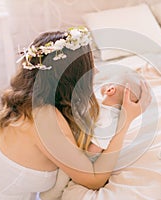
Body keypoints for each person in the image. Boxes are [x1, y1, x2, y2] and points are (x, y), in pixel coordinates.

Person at [0, 26, 151, 200]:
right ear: (72, 78)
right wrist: (124, 121)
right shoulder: (44, 118)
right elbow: (94, 180)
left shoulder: (27, 98)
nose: (95, 71)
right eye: (89, 68)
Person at [40, 68, 142, 200]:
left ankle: (50, 196)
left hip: (86, 156)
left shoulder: (108, 120)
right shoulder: (103, 108)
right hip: (78, 142)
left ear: (110, 90)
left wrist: (81, 156)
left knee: (63, 174)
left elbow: (96, 147)